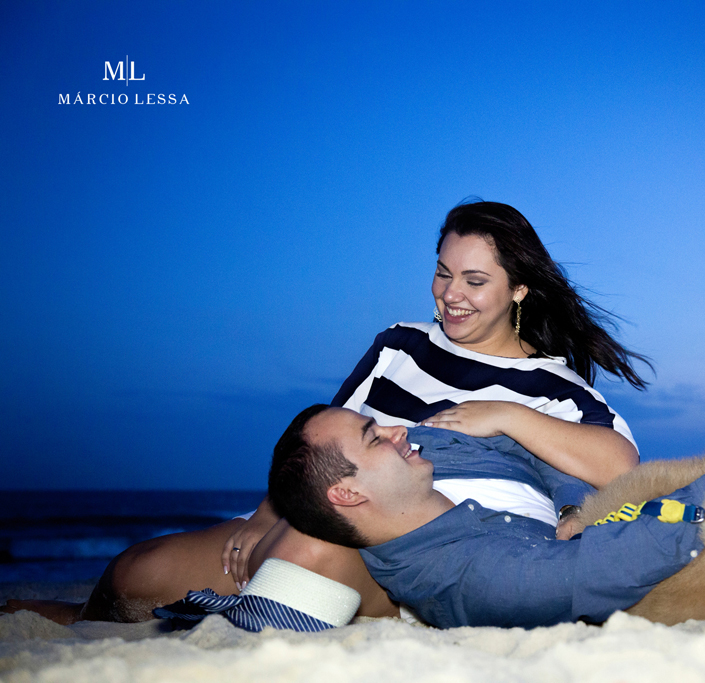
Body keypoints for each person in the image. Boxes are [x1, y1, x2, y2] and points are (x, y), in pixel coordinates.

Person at [2, 200, 650, 625]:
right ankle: (87, 620)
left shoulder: (552, 386)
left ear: (519, 289)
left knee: (302, 563)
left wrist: (503, 414)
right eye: (442, 272)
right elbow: (328, 439)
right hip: (320, 504)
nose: (450, 295)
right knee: (136, 570)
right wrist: (265, 515)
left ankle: (222, 618)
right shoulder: (401, 344)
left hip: (402, 547)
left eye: (474, 281)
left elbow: (621, 465)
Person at [264, 405, 705, 628]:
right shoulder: (469, 575)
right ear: (347, 493)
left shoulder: (428, 452)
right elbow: (612, 563)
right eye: (372, 438)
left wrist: (570, 505)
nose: (396, 430)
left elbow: (531, 449)